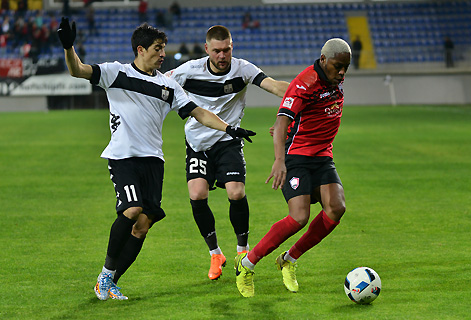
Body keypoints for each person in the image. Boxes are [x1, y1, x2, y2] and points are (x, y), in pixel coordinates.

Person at [57, 17, 255, 301]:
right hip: (124, 156)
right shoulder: (116, 73)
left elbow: (198, 112)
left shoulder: (168, 85)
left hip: (154, 161)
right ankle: (104, 275)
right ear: (140, 49)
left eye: (163, 48)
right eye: (158, 48)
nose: (163, 54)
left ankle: (110, 281)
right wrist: (68, 47)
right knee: (131, 209)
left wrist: (229, 128)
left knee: (144, 223)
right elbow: (78, 70)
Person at [165, 25, 289, 281]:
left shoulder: (243, 69)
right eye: (218, 51)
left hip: (229, 139)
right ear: (207, 49)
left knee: (236, 192)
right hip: (197, 143)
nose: (223, 56)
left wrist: (305, 91)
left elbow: (274, 86)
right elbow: (160, 83)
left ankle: (241, 253)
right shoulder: (189, 71)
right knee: (197, 194)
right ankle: (215, 254)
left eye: (227, 50)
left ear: (232, 47)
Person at [235, 38, 352, 298]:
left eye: (346, 67)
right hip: (296, 156)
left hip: (322, 156)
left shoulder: (333, 79)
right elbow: (280, 122)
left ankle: (288, 259)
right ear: (324, 60)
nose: (342, 72)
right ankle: (246, 264)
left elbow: (311, 111)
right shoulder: (305, 83)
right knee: (298, 217)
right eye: (337, 66)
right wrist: (279, 160)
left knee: (336, 208)